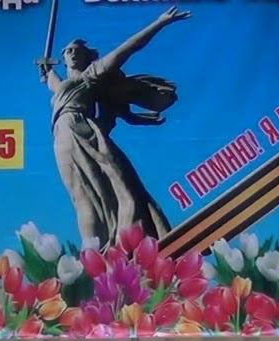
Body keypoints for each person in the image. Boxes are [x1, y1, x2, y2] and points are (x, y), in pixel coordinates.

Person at [38, 7, 191, 247]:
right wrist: (47, 71)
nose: (72, 53)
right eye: (68, 50)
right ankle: (94, 251)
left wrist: (160, 22)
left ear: (87, 57)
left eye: (77, 50)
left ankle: (105, 246)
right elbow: (54, 83)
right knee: (83, 195)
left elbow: (128, 48)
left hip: (81, 130)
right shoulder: (64, 86)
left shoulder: (91, 74)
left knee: (108, 189)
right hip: (62, 134)